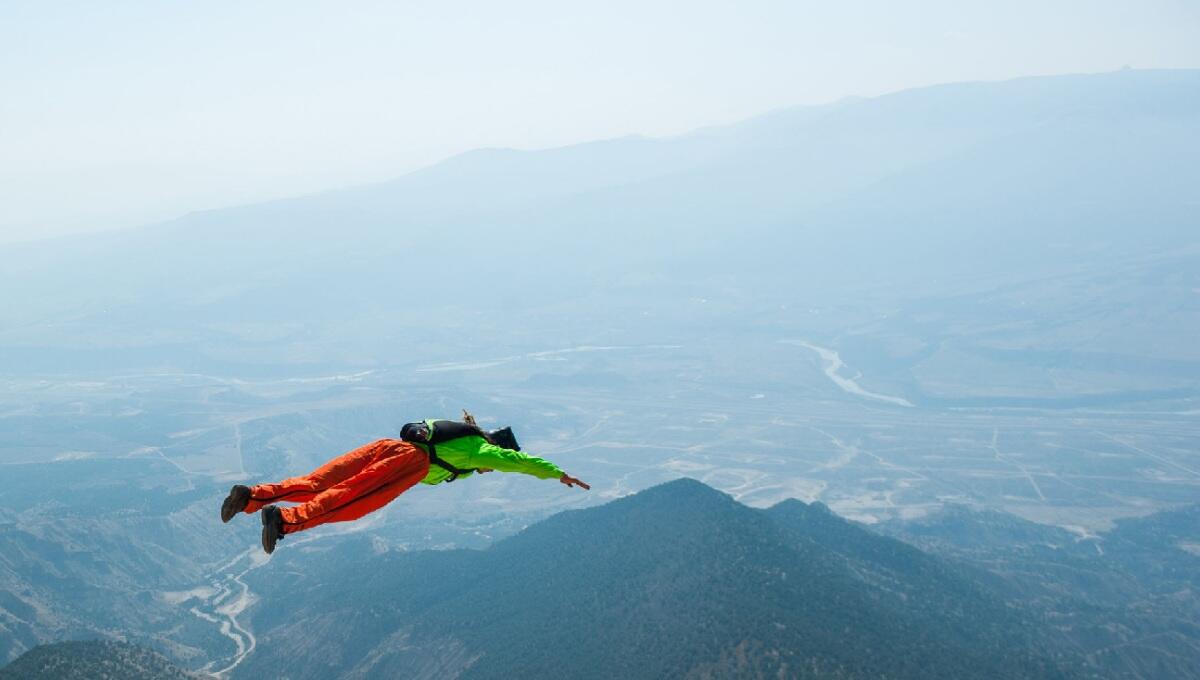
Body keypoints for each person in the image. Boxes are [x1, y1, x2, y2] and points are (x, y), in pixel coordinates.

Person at [220, 418, 590, 554]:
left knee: (318, 482)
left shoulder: (463, 434)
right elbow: (518, 463)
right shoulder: (482, 450)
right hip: (409, 464)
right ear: (497, 448)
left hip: (389, 447)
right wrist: (558, 473)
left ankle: (252, 496)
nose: (488, 470)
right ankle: (283, 522)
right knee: (351, 501)